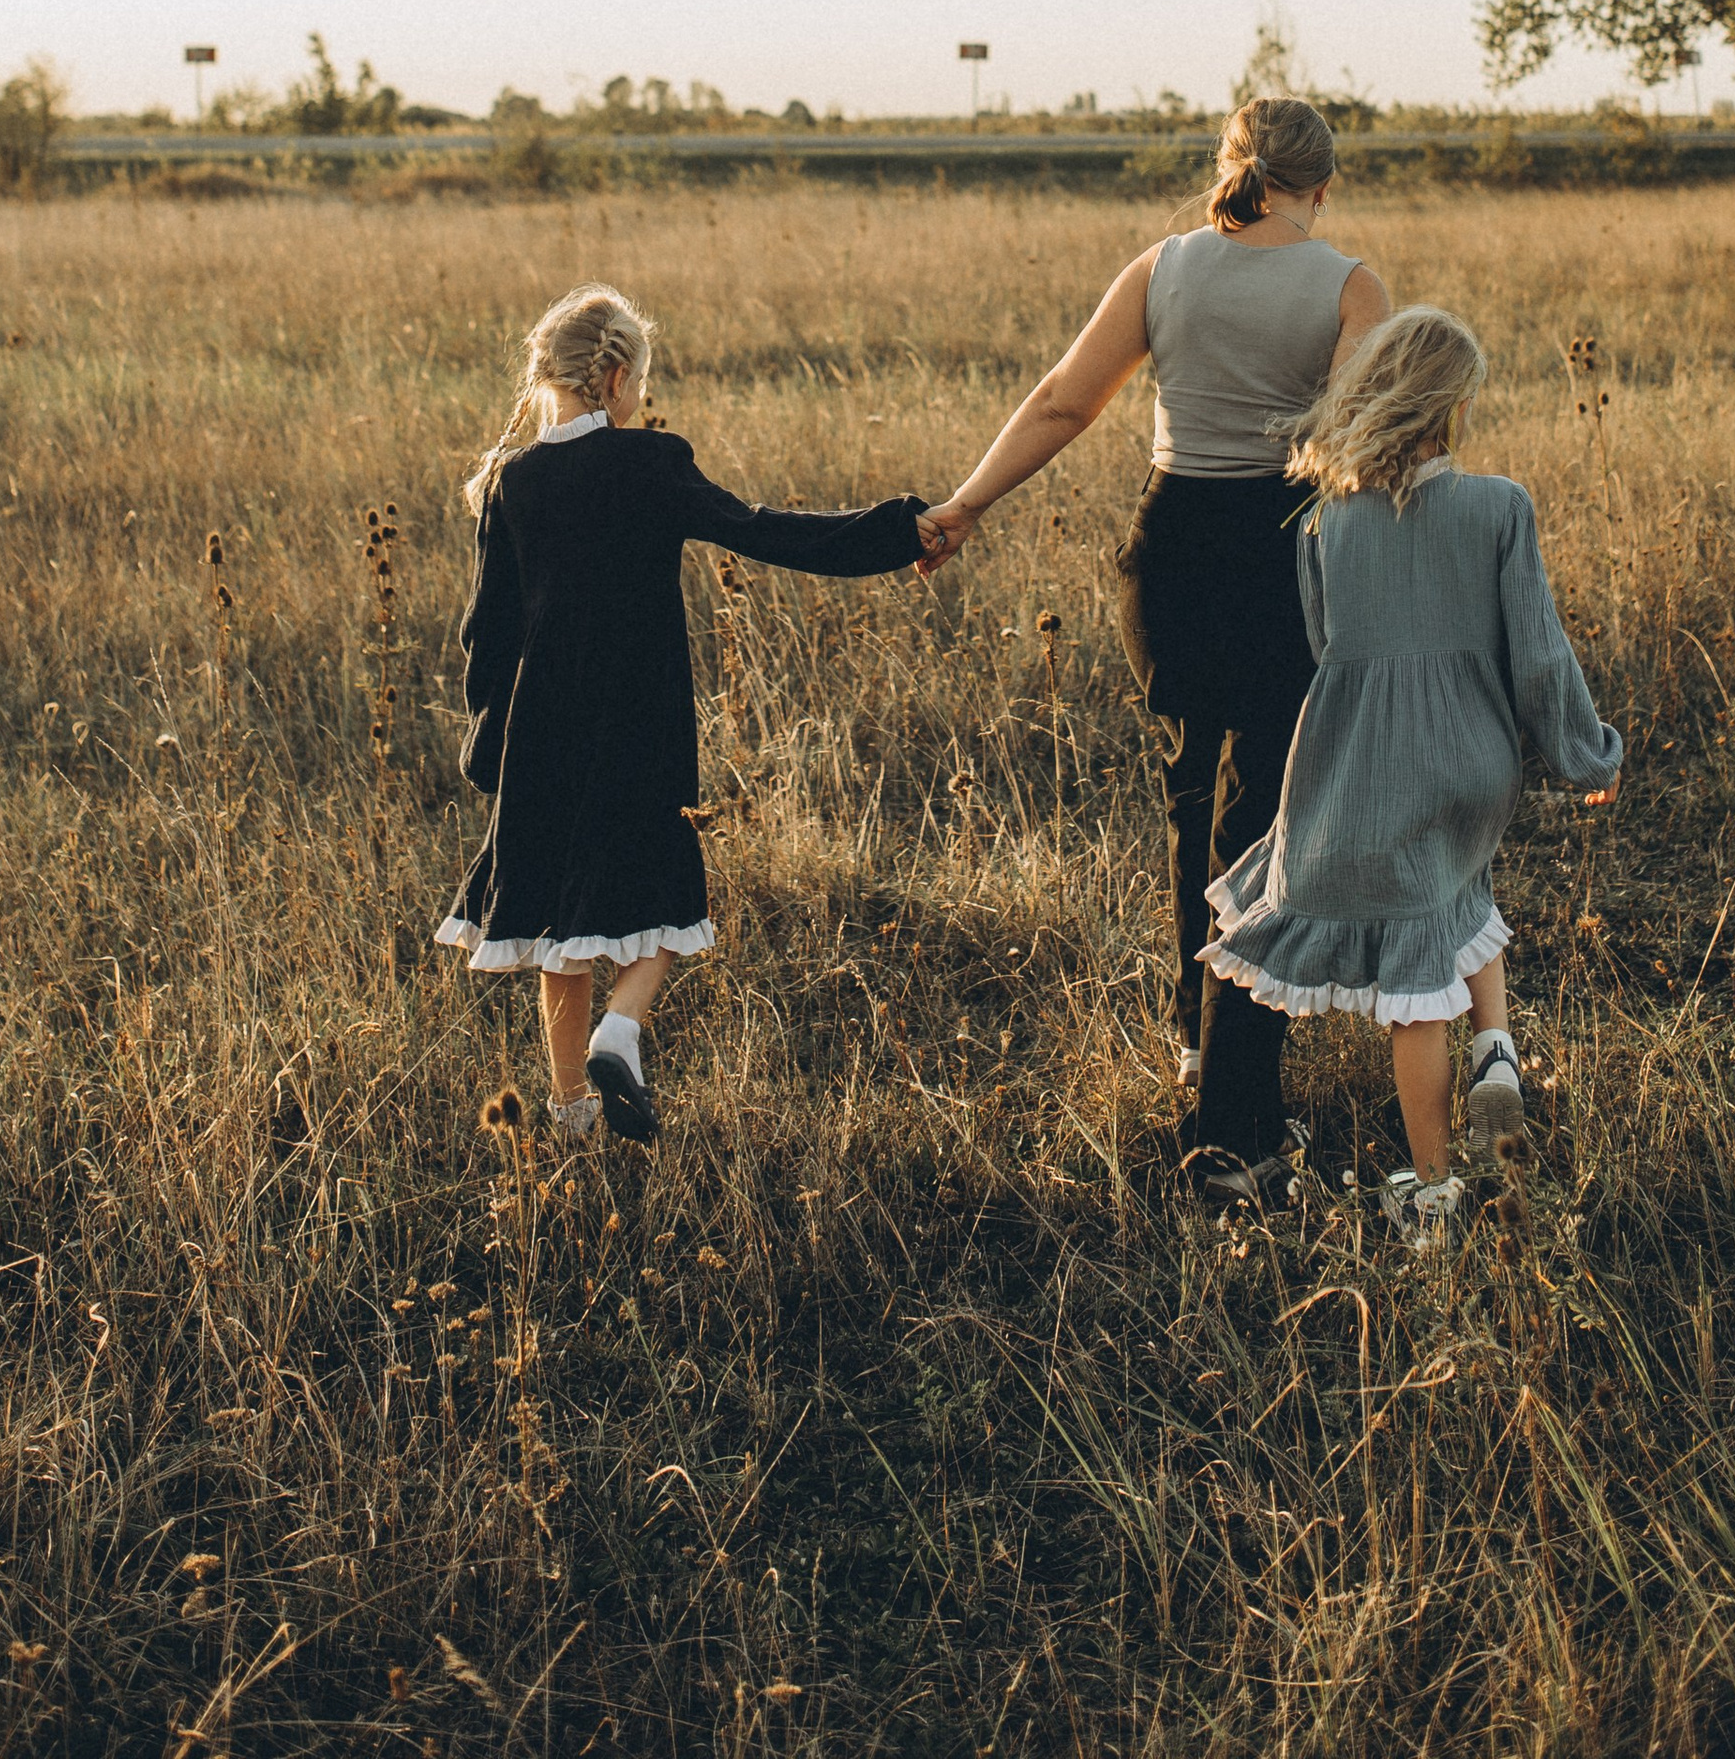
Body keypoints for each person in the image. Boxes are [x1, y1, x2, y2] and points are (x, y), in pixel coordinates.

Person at [912, 95, 1389, 1204]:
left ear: (1230, 166)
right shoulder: (1348, 284)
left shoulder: (1162, 266)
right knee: (1267, 821)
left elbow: (1061, 403)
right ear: (1323, 180)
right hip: (1279, 552)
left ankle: (1193, 1031)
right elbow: (1364, 435)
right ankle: (1236, 1126)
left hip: (1168, 555)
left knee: (1194, 798)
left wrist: (966, 504)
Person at [440, 281, 932, 1149]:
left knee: (564, 929)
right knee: (665, 893)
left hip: (542, 740)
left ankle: (571, 1122)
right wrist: (899, 531)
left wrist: (489, 747)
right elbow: (771, 531)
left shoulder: (512, 483)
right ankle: (622, 1034)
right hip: (637, 728)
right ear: (619, 375)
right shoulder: (650, 464)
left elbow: (488, 632)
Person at [1201, 301, 1622, 1251]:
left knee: (1412, 993)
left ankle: (1432, 1190)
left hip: (1367, 766)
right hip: (1473, 764)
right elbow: (1542, 659)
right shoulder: (1497, 506)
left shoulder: (1324, 524)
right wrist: (1587, 753)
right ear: (1452, 407)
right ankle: (1496, 1047)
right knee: (1455, 889)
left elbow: (1325, 648)